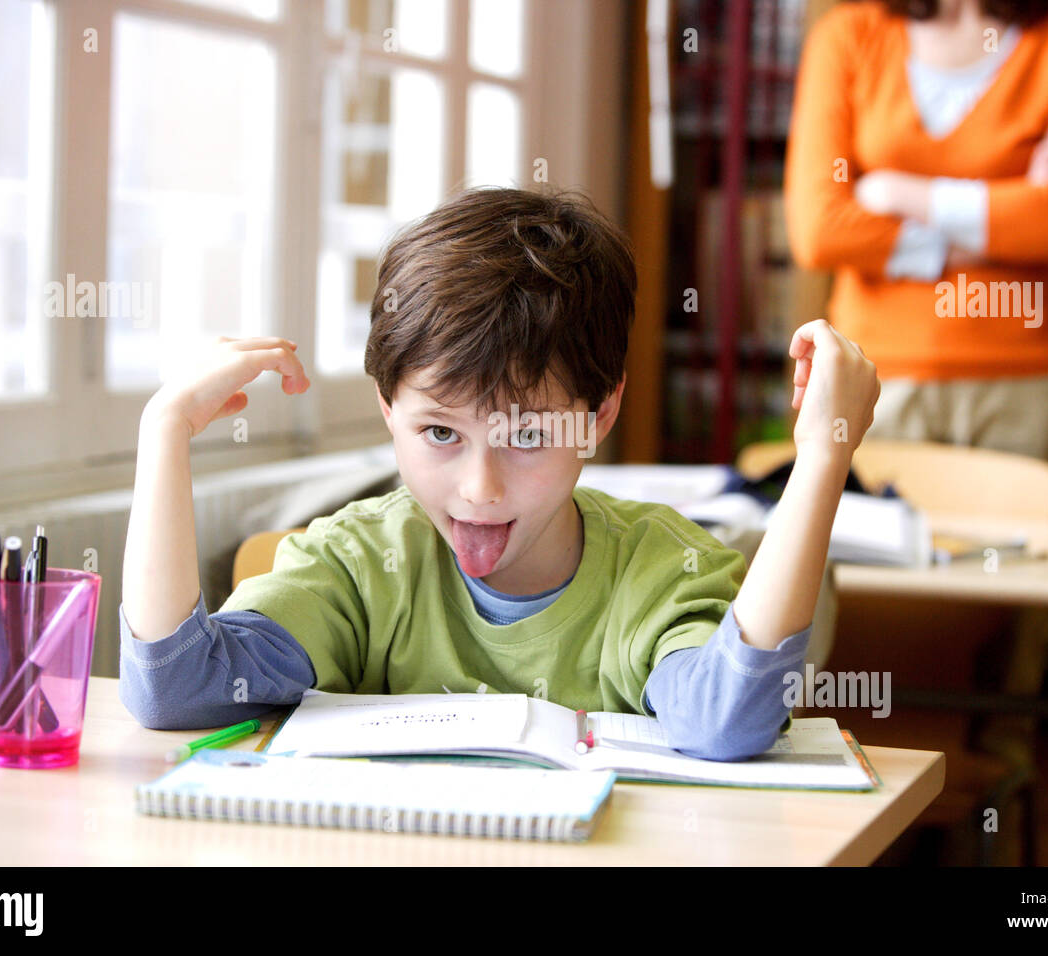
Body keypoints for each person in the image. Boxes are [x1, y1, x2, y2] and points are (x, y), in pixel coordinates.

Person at [118, 187, 879, 761]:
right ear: (388, 408)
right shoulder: (358, 564)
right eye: (439, 433)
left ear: (601, 413)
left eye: (528, 436)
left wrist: (822, 457)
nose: (479, 488)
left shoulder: (660, 572)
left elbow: (725, 722)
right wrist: (165, 431)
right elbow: (175, 689)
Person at [785, 0, 1048, 516]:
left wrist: (893, 192)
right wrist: (1010, 212)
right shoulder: (846, 37)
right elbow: (820, 230)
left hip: (1033, 387)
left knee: (1026, 569)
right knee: (868, 568)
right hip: (874, 382)